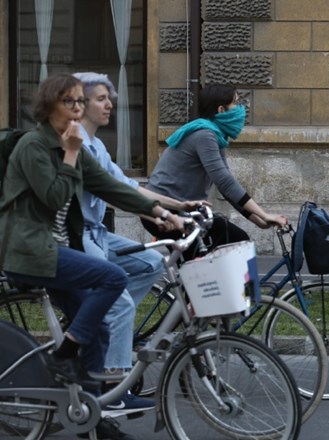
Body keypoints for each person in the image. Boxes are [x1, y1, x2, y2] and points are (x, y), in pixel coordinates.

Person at [0, 73, 185, 440]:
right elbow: (53, 196)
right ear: (49, 107)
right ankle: (64, 355)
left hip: (56, 250)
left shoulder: (74, 149)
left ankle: (89, 413)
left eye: (80, 102)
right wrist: (70, 153)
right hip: (30, 252)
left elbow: (112, 187)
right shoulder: (34, 147)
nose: (77, 109)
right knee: (111, 277)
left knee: (98, 325)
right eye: (69, 102)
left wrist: (161, 214)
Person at [73, 72, 204, 417]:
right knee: (120, 304)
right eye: (101, 98)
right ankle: (112, 389)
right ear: (80, 104)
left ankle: (104, 327)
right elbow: (113, 191)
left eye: (108, 98)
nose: (109, 104)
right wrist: (160, 214)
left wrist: (179, 205)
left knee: (150, 263)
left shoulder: (97, 145)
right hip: (79, 235)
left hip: (98, 232)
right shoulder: (76, 144)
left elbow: (127, 185)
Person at [142, 84, 287, 254]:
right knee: (235, 241)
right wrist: (264, 214)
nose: (241, 109)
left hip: (182, 209)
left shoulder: (215, 135)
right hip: (164, 210)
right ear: (221, 109)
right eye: (236, 103)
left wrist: (258, 219)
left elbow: (226, 188)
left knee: (218, 256)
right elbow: (225, 182)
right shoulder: (205, 135)